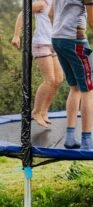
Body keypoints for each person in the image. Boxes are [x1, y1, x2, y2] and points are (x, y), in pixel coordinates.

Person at [50, 0, 93, 149]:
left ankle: (69, 138)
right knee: (89, 88)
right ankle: (87, 141)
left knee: (75, 87)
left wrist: (59, 32)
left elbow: (51, 13)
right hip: (75, 41)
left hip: (57, 38)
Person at [11, 0, 63, 128]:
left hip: (52, 44)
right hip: (41, 44)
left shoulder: (55, 2)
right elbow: (22, 13)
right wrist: (17, 35)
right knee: (49, 80)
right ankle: (36, 112)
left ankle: (44, 110)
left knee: (59, 80)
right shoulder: (41, 3)